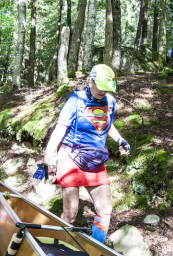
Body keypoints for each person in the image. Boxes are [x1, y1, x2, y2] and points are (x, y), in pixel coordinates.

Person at [32, 65, 131, 243]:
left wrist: (120, 140)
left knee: (105, 209)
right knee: (70, 213)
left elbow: (106, 124)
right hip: (71, 159)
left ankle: (95, 251)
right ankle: (59, 249)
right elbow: (58, 133)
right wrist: (44, 163)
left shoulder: (110, 102)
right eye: (100, 86)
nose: (103, 92)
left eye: (107, 88)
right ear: (90, 81)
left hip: (95, 160)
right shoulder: (75, 101)